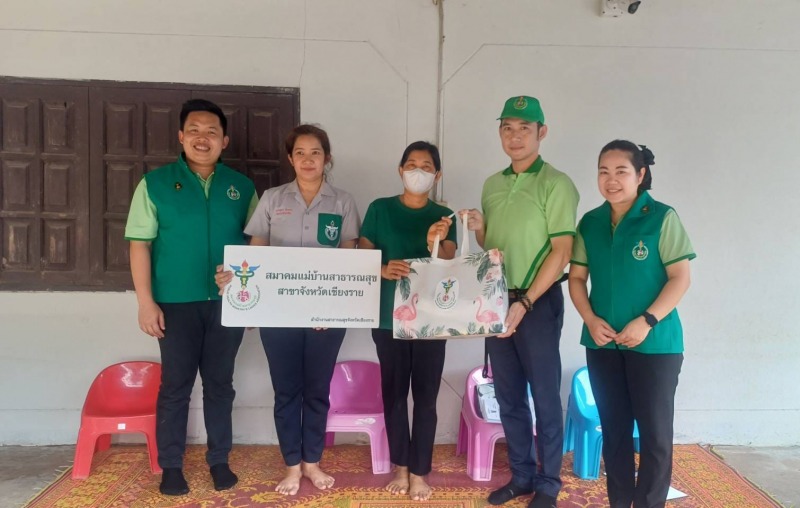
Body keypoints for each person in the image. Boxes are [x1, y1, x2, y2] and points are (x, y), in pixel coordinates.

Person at [216, 124, 360, 496]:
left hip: (326, 317)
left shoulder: (342, 202)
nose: (308, 160)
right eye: (300, 153)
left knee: (317, 390)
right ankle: (292, 466)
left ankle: (312, 462)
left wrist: (333, 312)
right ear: (290, 158)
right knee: (286, 391)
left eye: (315, 153)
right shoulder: (271, 198)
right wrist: (239, 289)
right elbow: (255, 255)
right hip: (278, 317)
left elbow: (349, 262)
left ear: (327, 158)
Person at [125, 99, 257, 496]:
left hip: (225, 304)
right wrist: (145, 302)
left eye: (212, 131)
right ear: (182, 137)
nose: (203, 138)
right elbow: (139, 244)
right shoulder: (155, 184)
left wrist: (248, 290)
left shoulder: (243, 187)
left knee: (220, 384)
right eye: (195, 130)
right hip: (174, 305)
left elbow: (258, 246)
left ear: (225, 140)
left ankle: (219, 460)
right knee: (176, 385)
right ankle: (171, 466)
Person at [461, 96, 579, 508]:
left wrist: (525, 302)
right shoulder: (492, 183)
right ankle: (522, 476)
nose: (515, 136)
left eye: (524, 129)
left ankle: (548, 483)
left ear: (541, 133)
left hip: (538, 302)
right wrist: (479, 229)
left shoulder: (556, 183)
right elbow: (491, 247)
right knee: (507, 394)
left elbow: (561, 251)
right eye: (507, 128)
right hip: (496, 302)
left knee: (545, 395)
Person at [568, 141, 694, 508]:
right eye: (603, 172)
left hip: (655, 346)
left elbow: (680, 278)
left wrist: (647, 321)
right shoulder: (590, 223)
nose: (611, 180)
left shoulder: (661, 217)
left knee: (655, 437)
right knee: (616, 433)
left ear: (640, 175)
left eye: (621, 171)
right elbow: (577, 279)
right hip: (603, 344)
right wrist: (590, 319)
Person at [358, 141, 457, 502]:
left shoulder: (444, 216)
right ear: (400, 170)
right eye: (412, 164)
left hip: (431, 321)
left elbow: (449, 263)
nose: (419, 171)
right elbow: (362, 256)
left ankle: (420, 472)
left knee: (426, 398)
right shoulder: (380, 209)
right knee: (395, 396)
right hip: (388, 318)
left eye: (427, 166)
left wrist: (436, 239)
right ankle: (401, 465)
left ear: (437, 174)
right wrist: (383, 269)